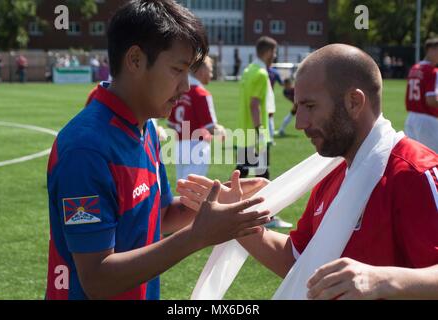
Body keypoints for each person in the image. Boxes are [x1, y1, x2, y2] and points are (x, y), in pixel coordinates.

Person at [45, 0, 269, 300]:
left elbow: (161, 215)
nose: (185, 87)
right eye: (177, 70)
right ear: (135, 60)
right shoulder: (86, 150)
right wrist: (197, 236)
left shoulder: (145, 127)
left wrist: (215, 204)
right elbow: (97, 279)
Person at [178, 44, 438, 299]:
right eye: (298, 106)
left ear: (354, 102)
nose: (300, 122)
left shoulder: (413, 173)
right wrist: (240, 221)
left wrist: (383, 280)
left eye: (310, 106)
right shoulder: (331, 172)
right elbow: (299, 261)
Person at [167, 56, 226, 181]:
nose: (211, 73)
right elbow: (210, 127)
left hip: (179, 146)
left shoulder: (178, 92)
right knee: (193, 192)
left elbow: (170, 124)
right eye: (210, 69)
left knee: (183, 189)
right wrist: (221, 131)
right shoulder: (201, 93)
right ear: (201, 70)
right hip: (197, 147)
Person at [236, 36, 277, 179]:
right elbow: (254, 105)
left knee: (241, 173)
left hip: (244, 131)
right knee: (263, 176)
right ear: (268, 53)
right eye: (274, 52)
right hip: (255, 134)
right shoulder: (261, 73)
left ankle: (221, 197)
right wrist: (260, 132)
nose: (275, 56)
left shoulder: (248, 70)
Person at [404, 37, 438, 153]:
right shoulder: (432, 71)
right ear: (431, 50)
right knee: (433, 157)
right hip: (427, 120)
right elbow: (431, 100)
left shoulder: (414, 68)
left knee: (415, 155)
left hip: (411, 118)